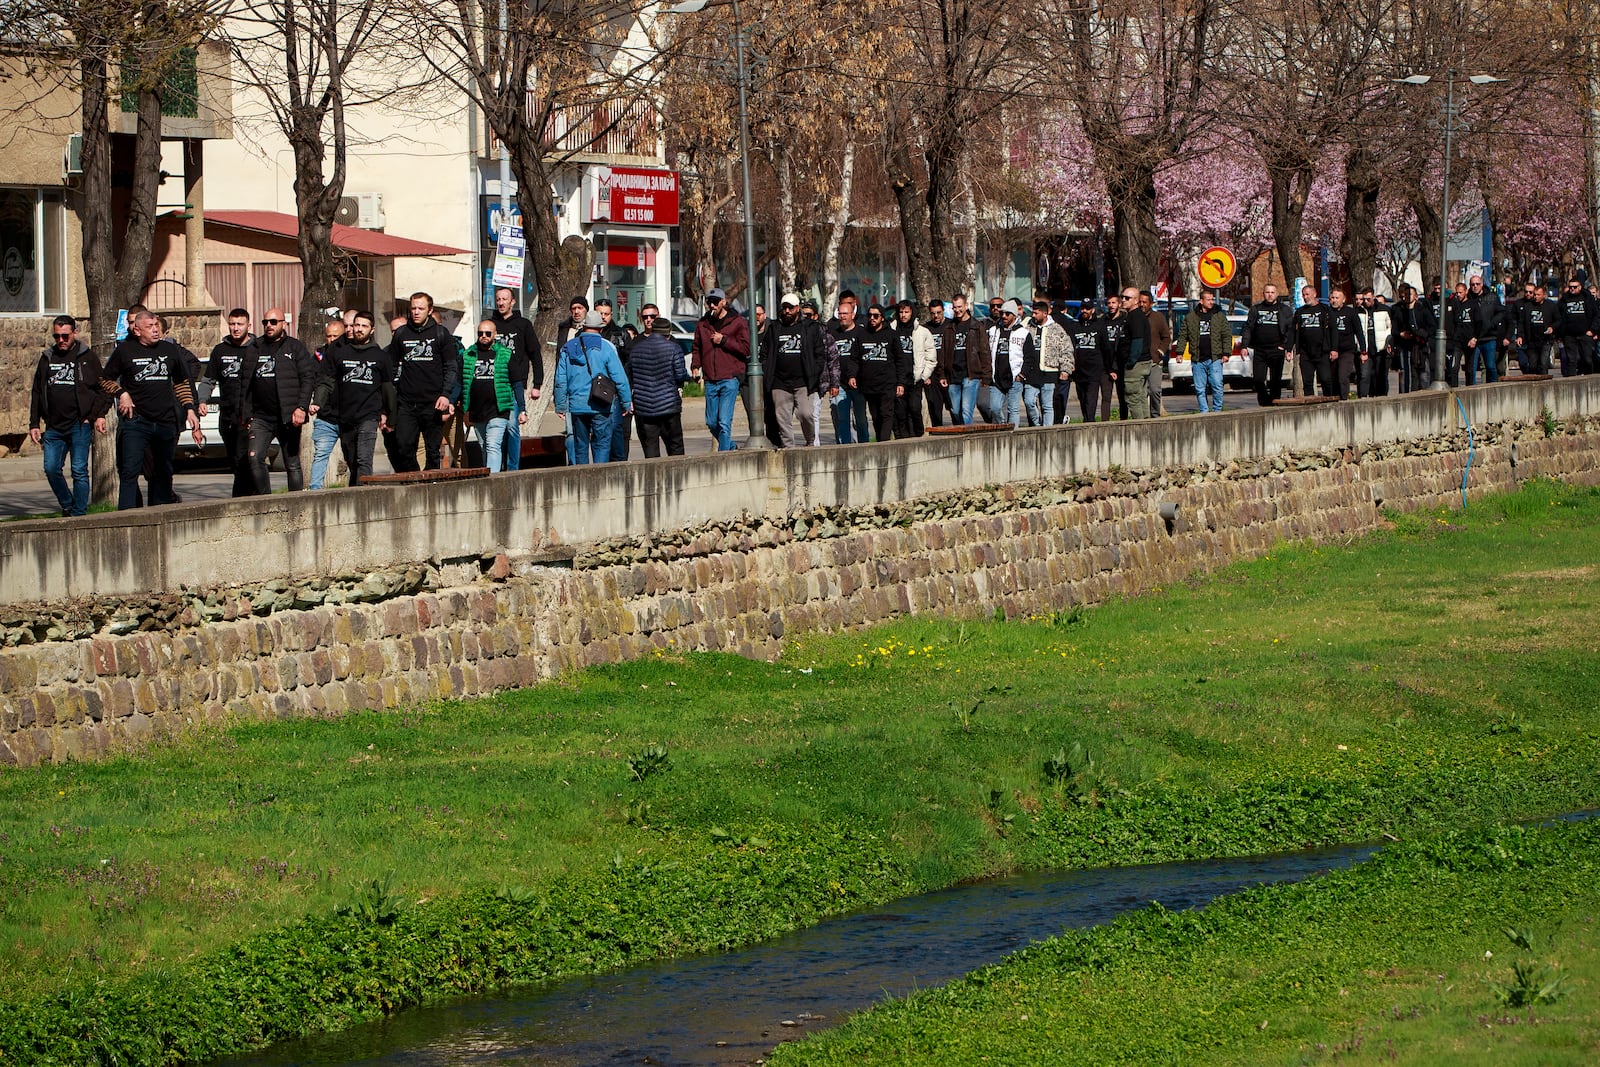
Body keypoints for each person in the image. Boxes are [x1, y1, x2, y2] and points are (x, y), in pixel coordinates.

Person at [98, 310, 202, 509]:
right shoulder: (125, 351)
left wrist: (189, 408)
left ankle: (159, 513)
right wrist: (122, 393)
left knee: (163, 472)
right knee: (130, 471)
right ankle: (127, 517)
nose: (155, 330)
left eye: (156, 326)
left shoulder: (169, 350)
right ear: (137, 331)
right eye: (150, 327)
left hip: (165, 420)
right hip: (137, 421)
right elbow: (105, 380)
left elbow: (181, 382)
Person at [28, 315, 109, 516]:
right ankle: (67, 503)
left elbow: (103, 388)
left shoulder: (87, 357)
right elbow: (37, 391)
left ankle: (78, 512)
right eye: (57, 336)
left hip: (79, 424)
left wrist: (95, 415)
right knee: (51, 468)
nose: (61, 340)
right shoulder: (47, 357)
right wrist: (34, 423)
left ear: (75, 333)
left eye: (65, 336)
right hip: (54, 426)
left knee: (79, 470)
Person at [237, 306, 317, 493]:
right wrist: (244, 414)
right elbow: (244, 383)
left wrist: (301, 407)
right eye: (265, 322)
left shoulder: (294, 347)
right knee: (254, 457)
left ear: (283, 323)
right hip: (261, 417)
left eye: (274, 322)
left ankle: (296, 503)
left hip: (288, 416)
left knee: (292, 463)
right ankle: (266, 500)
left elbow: (308, 378)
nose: (269, 326)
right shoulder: (255, 348)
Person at [310, 310, 394, 486]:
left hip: (368, 416)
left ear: (372, 330)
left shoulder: (380, 356)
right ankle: (354, 495)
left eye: (364, 326)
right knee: (352, 460)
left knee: (364, 460)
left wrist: (389, 415)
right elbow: (327, 381)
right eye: (357, 325)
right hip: (345, 417)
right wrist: (318, 402)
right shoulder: (340, 352)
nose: (359, 329)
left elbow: (387, 388)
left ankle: (363, 499)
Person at [387, 292, 462, 471]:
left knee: (433, 451)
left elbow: (451, 367)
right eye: (413, 308)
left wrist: (446, 395)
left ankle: (431, 487)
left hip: (433, 402)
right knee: (404, 446)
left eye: (421, 308)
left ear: (430, 310)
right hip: (406, 402)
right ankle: (414, 484)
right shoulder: (401, 334)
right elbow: (390, 366)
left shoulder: (440, 333)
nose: (416, 312)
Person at [555, 309, 633, 464]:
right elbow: (620, 378)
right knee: (602, 444)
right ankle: (599, 480)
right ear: (601, 328)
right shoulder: (607, 347)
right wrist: (626, 402)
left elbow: (560, 380)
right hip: (601, 403)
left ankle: (582, 481)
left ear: (584, 326)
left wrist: (560, 405)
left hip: (577, 404)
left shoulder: (568, 347)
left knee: (580, 445)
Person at [201, 308, 256, 495]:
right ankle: (248, 494)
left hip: (250, 415)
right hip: (227, 415)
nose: (235, 328)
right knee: (234, 459)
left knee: (245, 458)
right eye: (232, 324)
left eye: (240, 324)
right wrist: (202, 400)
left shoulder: (257, 349)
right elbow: (209, 380)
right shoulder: (220, 350)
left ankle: (242, 498)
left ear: (249, 326)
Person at [690, 287, 749, 451]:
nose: (712, 305)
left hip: (729, 378)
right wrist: (695, 366)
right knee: (711, 422)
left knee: (724, 421)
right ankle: (729, 445)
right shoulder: (703, 323)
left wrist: (724, 340)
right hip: (710, 379)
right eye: (710, 302)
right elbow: (697, 348)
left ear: (724, 302)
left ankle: (723, 457)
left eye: (716, 302)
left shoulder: (737, 322)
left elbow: (746, 349)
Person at [763, 293, 825, 448]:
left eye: (790, 307)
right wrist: (767, 370)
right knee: (782, 419)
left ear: (798, 308)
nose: (787, 311)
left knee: (806, 414)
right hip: (780, 383)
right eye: (784, 307)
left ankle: (810, 441)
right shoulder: (774, 328)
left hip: (803, 381)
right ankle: (789, 448)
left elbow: (819, 354)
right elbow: (764, 353)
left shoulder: (810, 328)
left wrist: (814, 372)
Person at [491, 286, 539, 472]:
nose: (501, 303)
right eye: (498, 299)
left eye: (505, 299)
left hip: (514, 385)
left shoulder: (523, 325)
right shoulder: (490, 325)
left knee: (512, 428)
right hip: (492, 385)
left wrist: (537, 384)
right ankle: (497, 467)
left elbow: (535, 354)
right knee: (496, 430)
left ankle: (512, 469)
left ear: (512, 302)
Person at [630, 313, 690, 457]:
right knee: (675, 446)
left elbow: (631, 375)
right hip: (669, 405)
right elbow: (680, 374)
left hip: (644, 406)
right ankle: (678, 477)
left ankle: (653, 478)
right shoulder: (673, 348)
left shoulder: (637, 349)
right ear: (668, 333)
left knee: (650, 446)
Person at [461, 320, 518, 471]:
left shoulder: (505, 354)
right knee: (484, 446)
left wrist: (522, 408)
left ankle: (493, 480)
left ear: (495, 335)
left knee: (493, 445)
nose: (483, 336)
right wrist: (462, 407)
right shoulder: (468, 354)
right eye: (480, 333)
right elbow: (462, 383)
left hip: (499, 409)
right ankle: (488, 477)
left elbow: (516, 382)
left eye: (487, 333)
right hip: (477, 410)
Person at [845, 304, 908, 441]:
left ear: (882, 318)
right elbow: (854, 358)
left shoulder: (891, 334)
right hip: (869, 385)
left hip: (887, 384)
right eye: (870, 316)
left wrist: (901, 383)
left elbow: (900, 360)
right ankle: (880, 442)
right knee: (876, 416)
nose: (872, 318)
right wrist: (852, 375)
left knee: (886, 414)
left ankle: (884, 444)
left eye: (876, 316)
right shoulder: (862, 334)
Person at [938, 294, 991, 425]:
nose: (957, 310)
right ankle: (960, 431)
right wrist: (942, 374)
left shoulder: (977, 326)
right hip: (953, 374)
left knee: (966, 409)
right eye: (955, 307)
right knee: (955, 410)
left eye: (960, 307)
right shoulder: (949, 328)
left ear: (966, 306)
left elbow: (985, 352)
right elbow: (943, 353)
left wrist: (986, 375)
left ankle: (965, 438)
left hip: (971, 375)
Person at [308, 318, 348, 489]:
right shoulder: (318, 356)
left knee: (354, 457)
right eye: (328, 336)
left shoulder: (349, 353)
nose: (332, 340)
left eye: (336, 336)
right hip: (326, 416)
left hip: (347, 415)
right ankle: (314, 489)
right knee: (320, 455)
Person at [1178, 289, 1231, 412]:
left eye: (1212, 299)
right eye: (1208, 299)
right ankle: (1204, 412)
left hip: (1215, 358)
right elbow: (1182, 335)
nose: (1211, 302)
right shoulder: (1191, 317)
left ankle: (1217, 411)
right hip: (1198, 359)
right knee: (1200, 388)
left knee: (1217, 385)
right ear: (1201, 301)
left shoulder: (1219, 316)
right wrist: (1180, 352)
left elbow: (1226, 335)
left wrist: (1226, 353)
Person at [827, 295, 871, 443]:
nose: (842, 317)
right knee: (842, 419)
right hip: (840, 384)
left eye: (845, 314)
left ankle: (864, 446)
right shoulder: (833, 334)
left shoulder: (861, 333)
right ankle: (844, 448)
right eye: (840, 313)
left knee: (860, 419)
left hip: (858, 384)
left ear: (852, 315)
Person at [891, 299, 936, 437]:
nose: (904, 315)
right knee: (900, 412)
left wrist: (923, 376)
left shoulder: (922, 332)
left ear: (912, 313)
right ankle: (904, 440)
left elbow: (931, 357)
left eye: (907, 312)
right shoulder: (891, 330)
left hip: (915, 378)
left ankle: (918, 435)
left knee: (915, 409)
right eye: (901, 312)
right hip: (897, 379)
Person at [596, 299, 633, 461]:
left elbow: (629, 364)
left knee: (617, 429)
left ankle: (619, 463)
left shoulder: (620, 334)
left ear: (612, 314)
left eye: (606, 314)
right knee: (599, 432)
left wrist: (627, 389)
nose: (603, 317)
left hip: (615, 390)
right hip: (593, 390)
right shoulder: (588, 335)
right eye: (600, 313)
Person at [1027, 298, 1074, 426]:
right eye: (1033, 312)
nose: (1033, 315)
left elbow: (1067, 349)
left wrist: (1065, 369)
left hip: (1050, 372)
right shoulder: (1028, 328)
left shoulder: (1056, 329)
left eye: (1036, 313)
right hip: (1032, 373)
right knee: (1029, 401)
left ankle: (1047, 430)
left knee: (1047, 405)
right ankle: (1038, 424)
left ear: (1045, 313)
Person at [1244, 284, 1293, 406]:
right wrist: (1244, 346)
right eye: (1267, 292)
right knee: (1258, 379)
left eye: (1272, 292)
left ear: (1276, 294)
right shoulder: (1256, 309)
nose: (1270, 295)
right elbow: (1248, 328)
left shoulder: (1284, 310)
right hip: (1260, 350)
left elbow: (1290, 329)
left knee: (1276, 380)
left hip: (1277, 349)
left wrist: (1286, 346)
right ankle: (1264, 401)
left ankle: (1274, 402)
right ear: (1263, 294)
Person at [986, 300, 1030, 426]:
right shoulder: (993, 331)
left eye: (1007, 314)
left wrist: (1021, 375)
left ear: (1015, 316)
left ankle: (1013, 436)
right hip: (996, 378)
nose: (1004, 316)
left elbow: (1029, 357)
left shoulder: (1023, 333)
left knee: (1013, 409)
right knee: (994, 408)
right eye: (1002, 313)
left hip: (1015, 376)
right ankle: (1003, 426)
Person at [1115, 285, 1154, 419]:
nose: (1123, 300)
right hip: (1141, 363)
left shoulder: (1136, 317)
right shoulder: (1131, 316)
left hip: (1137, 365)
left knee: (1133, 398)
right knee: (1141, 396)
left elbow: (1137, 342)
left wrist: (1130, 362)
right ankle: (1146, 426)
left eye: (1127, 298)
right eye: (1122, 297)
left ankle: (1140, 429)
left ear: (1136, 301)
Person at [1067, 304, 1110, 422]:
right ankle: (1086, 418)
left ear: (1092, 310)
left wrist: (1109, 367)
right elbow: (1070, 346)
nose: (1084, 311)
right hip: (1079, 370)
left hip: (1094, 370)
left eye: (1087, 308)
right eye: (1083, 309)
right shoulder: (1075, 325)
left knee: (1091, 398)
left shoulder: (1099, 325)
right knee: (1082, 397)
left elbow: (1106, 347)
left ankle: (1090, 420)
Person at [1291, 285, 1335, 398]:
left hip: (1322, 351)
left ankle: (1328, 399)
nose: (1305, 297)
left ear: (1314, 294)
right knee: (1307, 381)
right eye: (1303, 295)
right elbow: (1293, 331)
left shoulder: (1325, 310)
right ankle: (1310, 404)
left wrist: (1334, 349)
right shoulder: (1300, 312)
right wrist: (1289, 348)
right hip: (1306, 352)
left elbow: (1333, 330)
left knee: (1326, 379)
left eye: (1307, 294)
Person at [1390, 284, 1435, 392]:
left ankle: (1424, 392)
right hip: (1404, 345)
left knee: (1423, 372)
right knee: (1406, 371)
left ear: (1416, 296)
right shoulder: (1399, 310)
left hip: (1420, 346)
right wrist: (1401, 334)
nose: (1407, 297)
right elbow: (1394, 329)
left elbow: (1432, 327)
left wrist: (1421, 334)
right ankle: (1405, 394)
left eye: (1410, 294)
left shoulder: (1423, 310)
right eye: (1405, 294)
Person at [1553, 278, 1596, 377]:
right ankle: (1572, 380)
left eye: (1575, 287)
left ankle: (1589, 378)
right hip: (1569, 335)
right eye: (1570, 287)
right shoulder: (1564, 299)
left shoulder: (1587, 298)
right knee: (1572, 360)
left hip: (1585, 333)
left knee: (1587, 359)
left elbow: (1596, 315)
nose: (1572, 289)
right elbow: (1558, 317)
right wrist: (1559, 334)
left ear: (1580, 287)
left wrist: (1592, 330)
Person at [1327, 289, 1366, 398]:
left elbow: (1359, 332)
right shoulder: (1327, 312)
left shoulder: (1350, 312)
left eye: (1337, 298)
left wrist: (1363, 350)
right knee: (1332, 378)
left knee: (1343, 376)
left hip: (1346, 351)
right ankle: (1334, 399)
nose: (1334, 300)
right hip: (1331, 350)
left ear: (1343, 300)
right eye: (1332, 298)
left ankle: (1344, 399)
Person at [1463, 275, 1501, 386]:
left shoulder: (1492, 297)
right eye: (1472, 284)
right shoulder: (1468, 298)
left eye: (1477, 284)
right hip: (1472, 339)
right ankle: (1472, 389)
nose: (1475, 286)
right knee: (1471, 369)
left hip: (1489, 337)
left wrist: (1492, 323)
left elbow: (1501, 312)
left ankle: (1493, 388)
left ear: (1482, 284)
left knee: (1490, 367)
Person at [1138, 291, 1170, 416]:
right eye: (1139, 301)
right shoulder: (1134, 317)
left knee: (1155, 390)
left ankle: (1155, 415)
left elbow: (1166, 337)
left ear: (1150, 304)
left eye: (1144, 302)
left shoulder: (1158, 317)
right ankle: (1144, 417)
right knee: (1141, 392)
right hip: (1139, 361)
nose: (1141, 304)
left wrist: (1160, 352)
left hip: (1154, 361)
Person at [1354, 288, 1391, 396]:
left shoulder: (1384, 309)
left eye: (1368, 299)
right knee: (1364, 375)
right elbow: (1356, 331)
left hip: (1380, 348)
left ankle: (1381, 397)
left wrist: (1387, 341)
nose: (1365, 301)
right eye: (1363, 299)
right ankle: (1364, 398)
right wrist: (1360, 348)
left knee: (1381, 375)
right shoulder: (1358, 311)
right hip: (1365, 350)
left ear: (1374, 297)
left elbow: (1390, 327)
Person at [1515, 281, 1557, 376]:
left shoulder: (1550, 305)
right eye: (1535, 294)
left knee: (1543, 364)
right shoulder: (1528, 306)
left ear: (1544, 295)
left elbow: (1558, 320)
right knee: (1533, 365)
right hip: (1532, 340)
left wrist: (1552, 328)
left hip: (1545, 340)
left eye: (1538, 295)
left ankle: (1544, 384)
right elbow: (1521, 322)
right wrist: (1520, 336)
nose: (1535, 297)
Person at [921, 299, 951, 428]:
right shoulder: (925, 329)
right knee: (934, 408)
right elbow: (920, 352)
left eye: (939, 312)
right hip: (932, 374)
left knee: (954, 408)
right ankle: (937, 434)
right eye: (933, 313)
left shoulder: (950, 326)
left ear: (943, 311)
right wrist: (925, 374)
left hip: (948, 372)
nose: (936, 316)